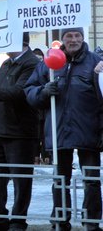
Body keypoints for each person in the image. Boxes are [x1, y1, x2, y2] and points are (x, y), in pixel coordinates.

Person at [26, 27, 103, 231]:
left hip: (89, 130)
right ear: (62, 39)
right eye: (69, 36)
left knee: (92, 180)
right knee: (60, 180)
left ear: (83, 38)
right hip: (58, 130)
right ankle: (60, 220)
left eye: (78, 36)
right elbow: (30, 90)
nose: (74, 39)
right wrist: (43, 92)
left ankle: (92, 222)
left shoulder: (95, 62)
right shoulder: (49, 63)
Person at [0, 33, 41, 231]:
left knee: (20, 180)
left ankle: (18, 220)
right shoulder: (6, 64)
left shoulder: (32, 63)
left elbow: (20, 92)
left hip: (20, 131)